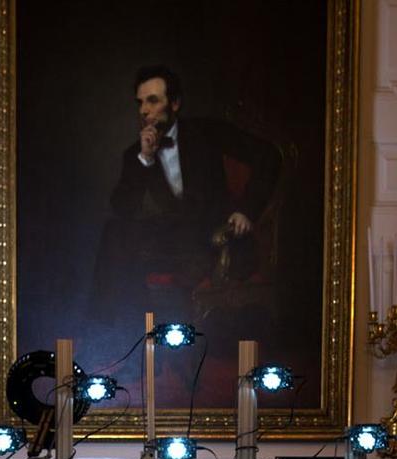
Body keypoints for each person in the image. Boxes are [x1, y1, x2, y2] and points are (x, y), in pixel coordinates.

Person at [90, 65, 281, 323]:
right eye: (140, 102)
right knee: (115, 233)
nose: (143, 110)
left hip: (216, 236)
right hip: (174, 240)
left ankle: (126, 338)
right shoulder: (136, 153)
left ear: (175, 103)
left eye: (153, 100)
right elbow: (122, 208)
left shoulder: (208, 132)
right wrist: (145, 159)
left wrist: (246, 210)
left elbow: (268, 156)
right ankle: (107, 336)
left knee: (132, 250)